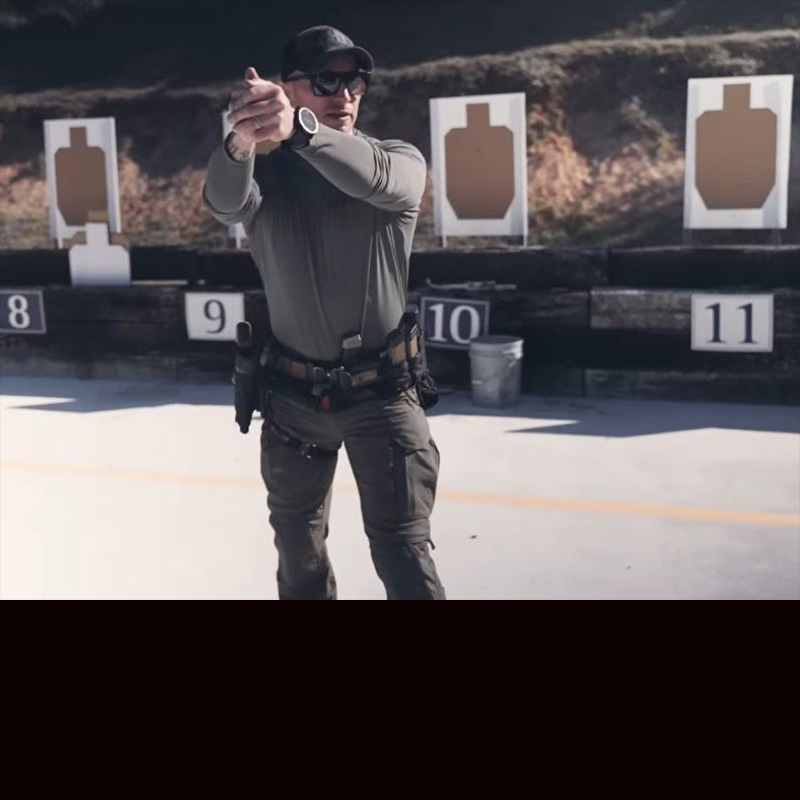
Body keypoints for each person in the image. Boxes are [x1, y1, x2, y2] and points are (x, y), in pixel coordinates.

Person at [202, 25, 446, 600]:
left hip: (382, 398)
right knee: (298, 555)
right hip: (292, 400)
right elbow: (224, 203)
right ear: (287, 88)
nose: (345, 94)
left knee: (404, 552)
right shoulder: (263, 172)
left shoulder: (396, 159)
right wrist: (240, 142)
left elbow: (378, 179)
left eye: (354, 80)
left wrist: (301, 132)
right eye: (326, 81)